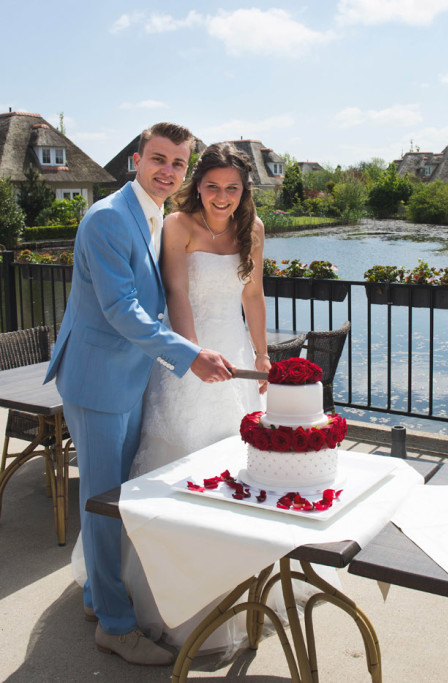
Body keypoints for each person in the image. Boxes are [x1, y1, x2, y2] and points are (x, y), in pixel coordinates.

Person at [44, 122, 234, 666]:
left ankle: (94, 595)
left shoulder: (154, 215)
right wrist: (189, 355)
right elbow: (120, 309)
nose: (167, 170)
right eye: (159, 159)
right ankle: (115, 625)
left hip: (130, 376)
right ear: (136, 159)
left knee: (116, 494)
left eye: (178, 163)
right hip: (99, 380)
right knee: (105, 502)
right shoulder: (107, 217)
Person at [119, 142, 272, 651]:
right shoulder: (179, 226)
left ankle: (242, 586)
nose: (222, 197)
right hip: (190, 353)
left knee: (241, 474)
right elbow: (177, 295)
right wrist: (191, 359)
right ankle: (175, 597)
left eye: (232, 188)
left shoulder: (253, 230)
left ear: (243, 189)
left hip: (236, 357)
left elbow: (252, 296)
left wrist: (263, 356)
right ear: (198, 185)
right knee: (185, 467)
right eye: (212, 186)